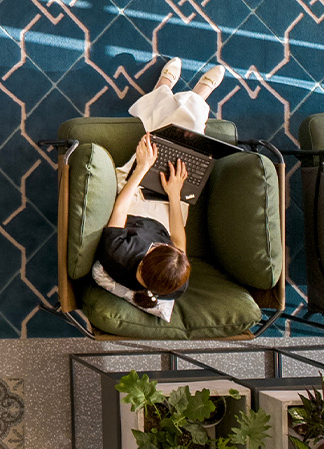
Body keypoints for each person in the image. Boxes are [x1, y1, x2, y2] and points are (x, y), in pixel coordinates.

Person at [89, 59, 226, 321]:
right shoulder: (176, 283)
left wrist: (142, 168)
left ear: (147, 255)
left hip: (134, 204)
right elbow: (178, 238)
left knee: (159, 142)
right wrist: (174, 194)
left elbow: (119, 208)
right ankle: (188, 94)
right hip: (166, 214)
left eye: (157, 248)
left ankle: (181, 91)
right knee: (188, 144)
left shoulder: (118, 256)